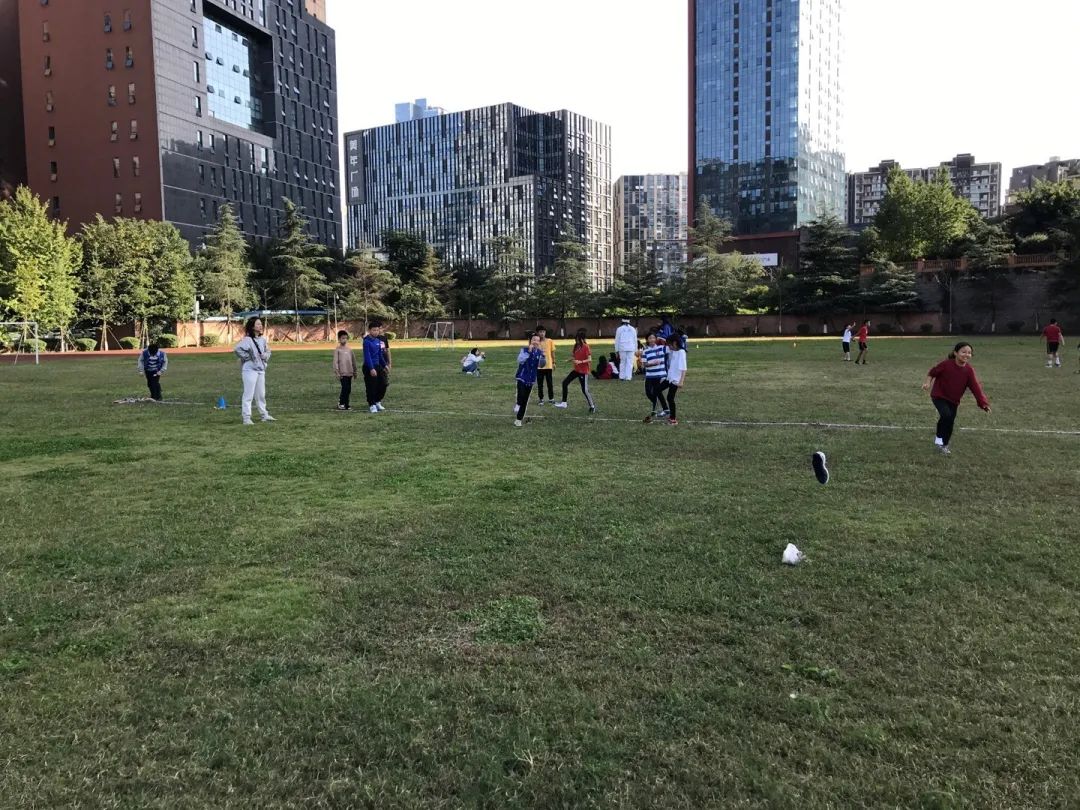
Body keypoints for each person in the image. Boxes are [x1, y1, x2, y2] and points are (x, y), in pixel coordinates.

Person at [921, 341, 991, 456]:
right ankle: (940, 440)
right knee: (946, 415)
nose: (966, 354)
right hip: (939, 396)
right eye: (963, 352)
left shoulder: (969, 370)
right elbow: (932, 373)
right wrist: (927, 383)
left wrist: (983, 403)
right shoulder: (946, 364)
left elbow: (976, 388)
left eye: (969, 353)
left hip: (953, 400)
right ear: (955, 353)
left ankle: (943, 444)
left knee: (949, 421)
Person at [234, 317, 274, 425]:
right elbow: (237, 349)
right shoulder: (247, 340)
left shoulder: (262, 340)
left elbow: (268, 351)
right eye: (258, 324)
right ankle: (246, 418)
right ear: (252, 327)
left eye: (260, 324)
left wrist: (265, 356)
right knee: (248, 394)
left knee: (261, 394)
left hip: (260, 369)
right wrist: (248, 357)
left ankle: (264, 415)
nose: (260, 326)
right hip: (249, 370)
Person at [555, 329, 596, 412]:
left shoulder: (586, 347)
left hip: (583, 372)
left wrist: (580, 362)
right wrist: (569, 359)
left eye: (578, 340)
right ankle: (564, 403)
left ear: (582, 339)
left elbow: (589, 359)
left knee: (584, 390)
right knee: (565, 383)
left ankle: (592, 406)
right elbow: (575, 356)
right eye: (576, 339)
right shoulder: (576, 346)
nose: (577, 341)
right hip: (576, 370)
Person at [514, 333, 546, 427]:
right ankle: (518, 403)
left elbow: (541, 365)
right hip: (522, 377)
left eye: (537, 340)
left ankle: (518, 420)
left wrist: (543, 357)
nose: (536, 342)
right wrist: (529, 351)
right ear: (530, 341)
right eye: (534, 340)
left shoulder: (539, 352)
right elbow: (520, 360)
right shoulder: (524, 350)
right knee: (521, 395)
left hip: (531, 379)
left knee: (525, 400)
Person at [659, 334, 688, 426]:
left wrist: (681, 381)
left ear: (675, 343)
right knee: (657, 389)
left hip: (675, 380)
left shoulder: (681, 352)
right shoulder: (674, 351)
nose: (669, 346)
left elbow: (684, 369)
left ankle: (673, 419)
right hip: (669, 378)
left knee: (670, 398)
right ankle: (666, 410)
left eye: (669, 344)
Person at [640, 332, 669, 422]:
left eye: (653, 338)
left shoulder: (661, 348)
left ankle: (657, 410)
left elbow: (669, 344)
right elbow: (644, 364)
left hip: (660, 375)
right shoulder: (645, 351)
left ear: (656, 339)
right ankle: (662, 408)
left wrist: (662, 338)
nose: (652, 340)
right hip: (649, 376)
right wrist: (652, 363)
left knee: (657, 392)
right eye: (650, 338)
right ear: (647, 340)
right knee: (648, 392)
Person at [362, 321, 388, 414]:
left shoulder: (378, 341)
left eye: (377, 330)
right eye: (374, 330)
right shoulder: (366, 341)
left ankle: (377, 401)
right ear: (369, 330)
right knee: (371, 386)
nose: (376, 332)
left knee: (383, 384)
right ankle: (372, 404)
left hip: (378, 366)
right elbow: (367, 356)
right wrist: (371, 368)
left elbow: (380, 355)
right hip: (369, 367)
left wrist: (385, 365)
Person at [332, 330, 358, 410]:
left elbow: (353, 361)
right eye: (343, 338)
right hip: (342, 373)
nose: (344, 340)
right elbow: (335, 362)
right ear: (339, 339)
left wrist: (355, 371)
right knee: (345, 388)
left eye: (346, 338)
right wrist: (337, 372)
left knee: (348, 389)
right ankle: (341, 403)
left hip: (349, 372)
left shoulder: (349, 349)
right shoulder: (338, 350)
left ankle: (346, 404)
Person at [534, 325, 556, 404]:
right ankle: (541, 399)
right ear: (537, 333)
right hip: (539, 367)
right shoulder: (536, 342)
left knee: (550, 383)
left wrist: (554, 362)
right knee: (540, 384)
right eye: (540, 332)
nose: (542, 333)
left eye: (543, 332)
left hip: (548, 366)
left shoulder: (550, 341)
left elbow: (552, 352)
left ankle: (551, 398)